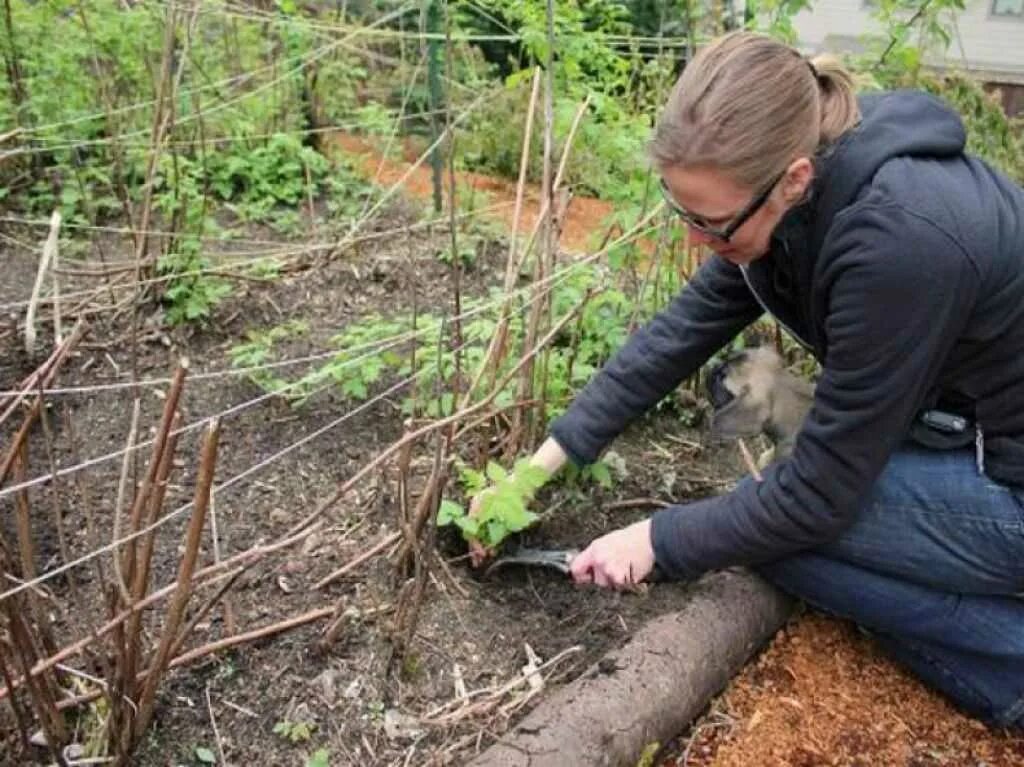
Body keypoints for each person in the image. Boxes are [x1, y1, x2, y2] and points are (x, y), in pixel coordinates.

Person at [470, 31, 1024, 729]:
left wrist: (658, 540)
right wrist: (534, 472)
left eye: (708, 222)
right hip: (955, 416)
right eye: (684, 214)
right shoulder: (800, 162)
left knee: (776, 537)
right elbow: (675, 335)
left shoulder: (900, 241)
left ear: (791, 180)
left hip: (1008, 474)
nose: (695, 240)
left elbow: (817, 499)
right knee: (743, 387)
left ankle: (1007, 660)